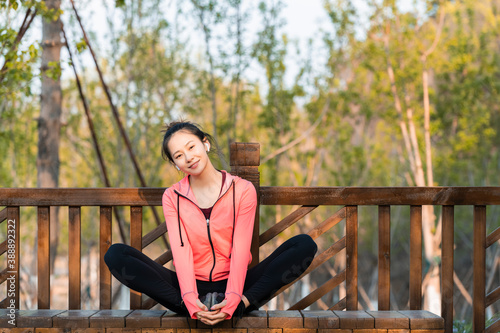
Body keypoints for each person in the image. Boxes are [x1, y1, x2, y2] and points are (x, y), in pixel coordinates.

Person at [104, 121, 317, 326]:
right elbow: (182, 251)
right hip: (186, 290)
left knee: (304, 245)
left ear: (205, 144)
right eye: (179, 155)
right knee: (115, 255)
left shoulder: (242, 190)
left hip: (240, 287)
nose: (188, 157)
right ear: (175, 163)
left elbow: (240, 249)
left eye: (191, 146)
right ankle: (191, 308)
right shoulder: (172, 197)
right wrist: (189, 299)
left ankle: (241, 306)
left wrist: (234, 299)